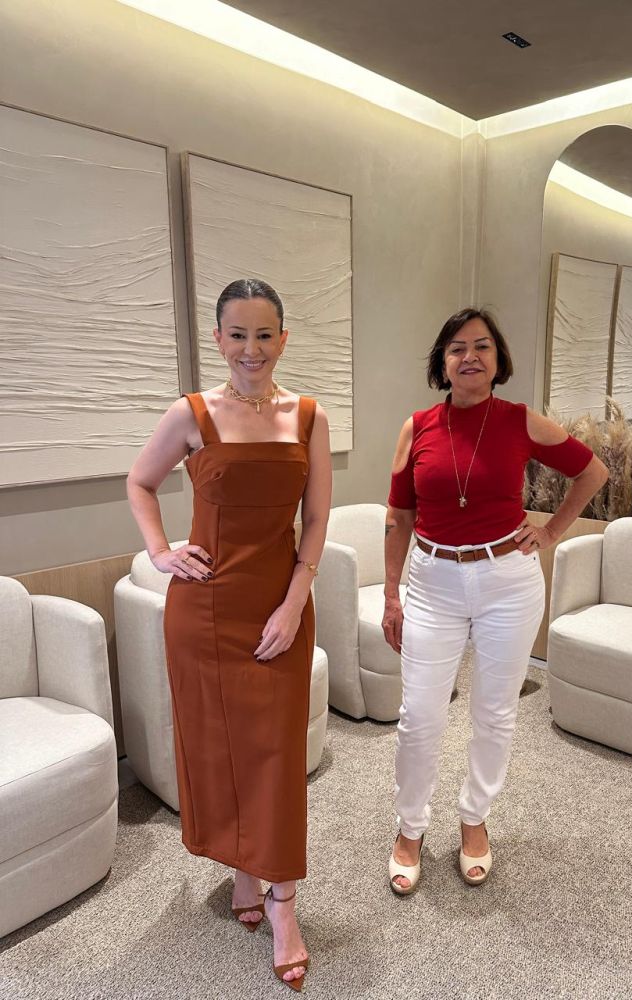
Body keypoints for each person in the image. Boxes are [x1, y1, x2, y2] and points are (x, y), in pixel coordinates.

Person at [127, 278, 331, 990]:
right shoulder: (190, 413)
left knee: (276, 755)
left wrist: (294, 603)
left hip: (279, 607)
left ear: (284, 338)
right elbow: (139, 482)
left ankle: (282, 903)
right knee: (221, 749)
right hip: (205, 612)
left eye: (264, 334)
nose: (252, 348)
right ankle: (245, 869)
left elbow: (316, 521)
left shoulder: (308, 417)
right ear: (218, 340)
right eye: (238, 334)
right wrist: (160, 551)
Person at [382, 307, 608, 894]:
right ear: (442, 363)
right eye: (457, 347)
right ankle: (410, 826)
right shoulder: (417, 427)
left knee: (495, 712)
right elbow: (399, 516)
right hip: (432, 581)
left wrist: (551, 531)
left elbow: (592, 472)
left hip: (507, 581)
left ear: (498, 359)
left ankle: (474, 818)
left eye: (482, 346)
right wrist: (391, 593)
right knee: (420, 715)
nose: (470, 356)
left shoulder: (520, 420)